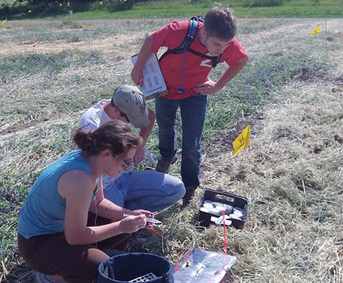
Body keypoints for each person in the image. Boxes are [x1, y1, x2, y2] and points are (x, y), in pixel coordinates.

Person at [131, 7, 248, 205]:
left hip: (195, 94)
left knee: (192, 143)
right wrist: (138, 68)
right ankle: (166, 159)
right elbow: (151, 40)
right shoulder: (180, 31)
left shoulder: (225, 43)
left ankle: (190, 185)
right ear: (204, 33)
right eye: (217, 44)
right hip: (165, 91)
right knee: (165, 130)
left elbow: (241, 60)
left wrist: (218, 85)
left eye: (226, 45)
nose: (221, 50)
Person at [18, 120, 153, 283]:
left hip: (59, 231)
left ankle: (92, 264)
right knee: (102, 266)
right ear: (107, 153)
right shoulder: (79, 179)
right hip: (38, 244)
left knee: (121, 222)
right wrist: (121, 226)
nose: (128, 167)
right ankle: (55, 276)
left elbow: (97, 203)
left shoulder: (92, 161)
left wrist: (129, 215)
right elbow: (75, 237)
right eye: (126, 161)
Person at [79, 85, 185, 212]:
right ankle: (121, 213)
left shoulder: (130, 105)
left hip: (126, 177)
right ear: (116, 111)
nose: (130, 124)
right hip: (104, 185)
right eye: (130, 120)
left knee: (177, 189)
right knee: (114, 228)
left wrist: (140, 146)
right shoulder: (91, 124)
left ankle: (129, 211)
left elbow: (150, 117)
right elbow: (86, 166)